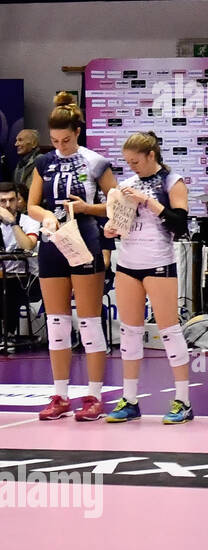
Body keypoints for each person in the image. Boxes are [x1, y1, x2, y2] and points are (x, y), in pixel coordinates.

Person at [30, 93, 116, 421]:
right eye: (54, 141)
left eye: (66, 140)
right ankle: (60, 395)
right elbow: (33, 204)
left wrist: (84, 209)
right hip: (54, 243)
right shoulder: (44, 162)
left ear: (78, 132)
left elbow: (115, 205)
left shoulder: (95, 161)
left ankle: (94, 396)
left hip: (86, 240)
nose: (60, 146)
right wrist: (45, 218)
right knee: (56, 324)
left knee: (90, 322)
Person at [102, 133, 193, 424]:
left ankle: (183, 400)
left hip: (158, 262)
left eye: (136, 162)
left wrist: (150, 203)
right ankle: (129, 399)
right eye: (128, 163)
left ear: (151, 155)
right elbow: (120, 221)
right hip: (128, 262)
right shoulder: (126, 184)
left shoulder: (171, 182)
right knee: (129, 331)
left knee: (169, 330)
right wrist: (112, 228)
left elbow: (180, 224)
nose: (133, 168)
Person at [0, 181, 39, 349]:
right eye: (2, 201)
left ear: (18, 200)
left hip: (26, 278)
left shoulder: (29, 221)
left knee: (9, 286)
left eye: (11, 200)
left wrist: (13, 223)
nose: (8, 205)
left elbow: (28, 246)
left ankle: (7, 334)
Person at [13, 129, 40, 196]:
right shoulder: (21, 163)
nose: (16, 144)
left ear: (34, 143)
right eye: (16, 140)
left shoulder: (41, 161)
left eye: (20, 140)